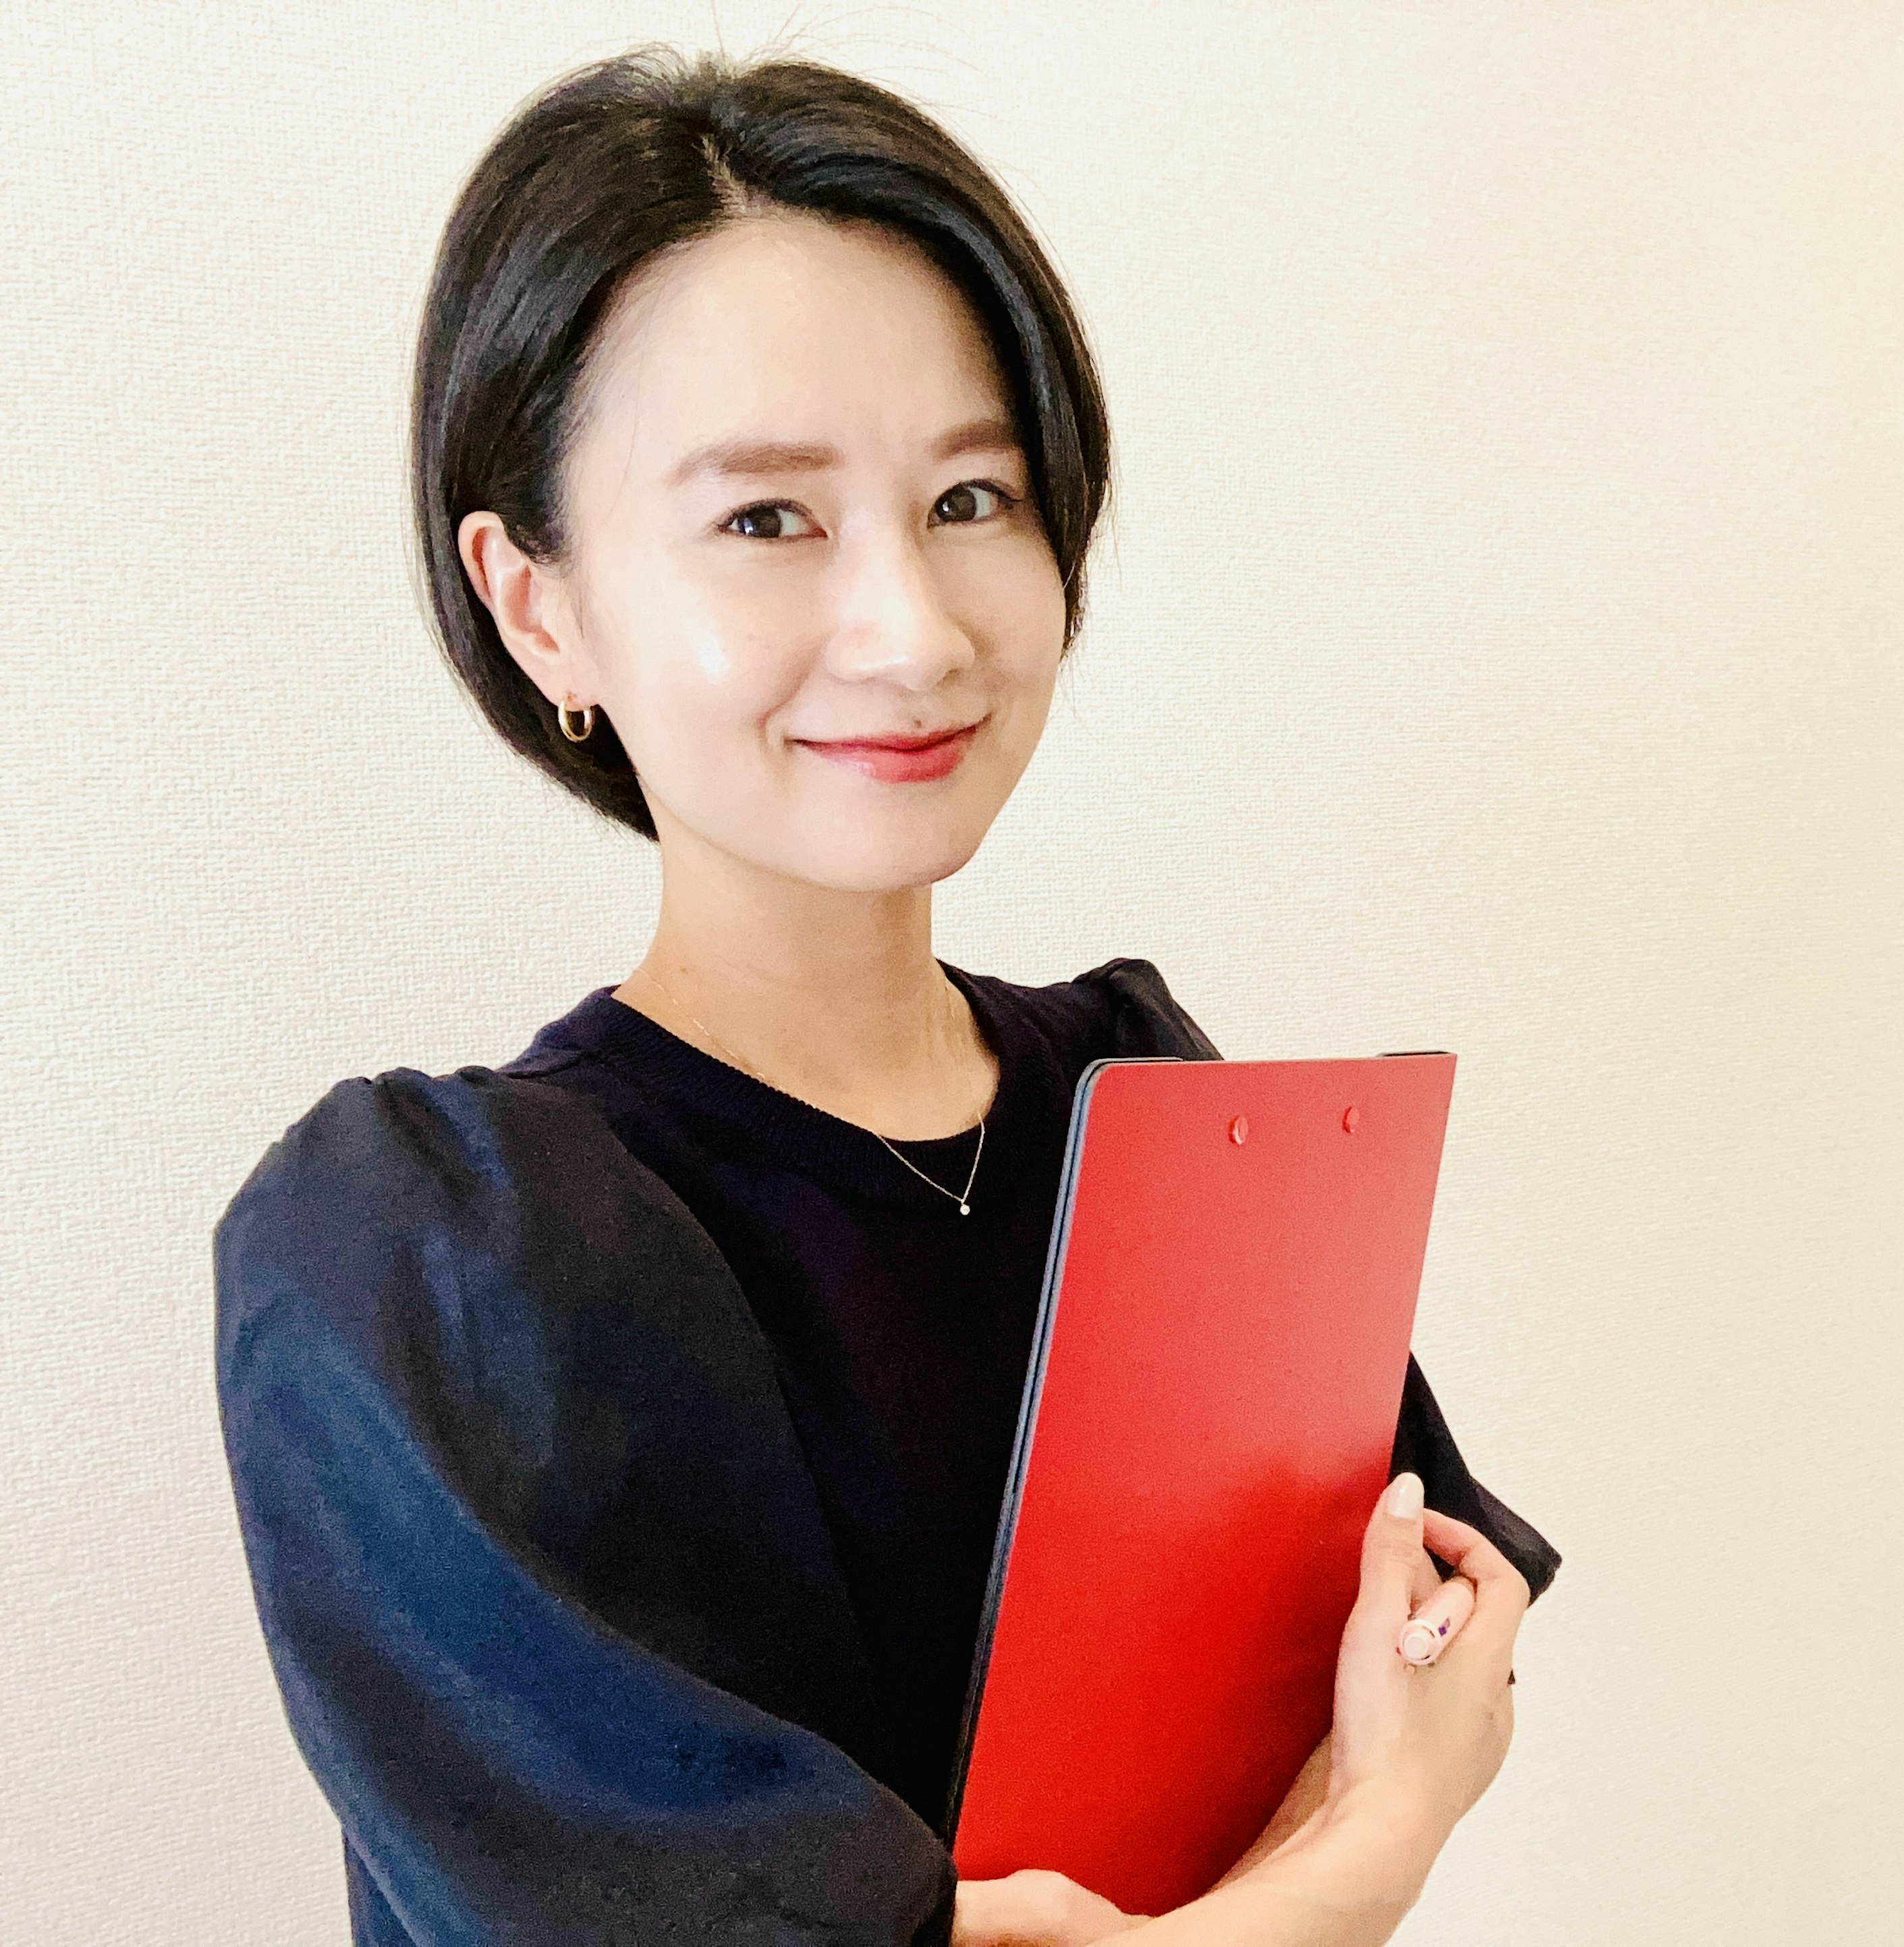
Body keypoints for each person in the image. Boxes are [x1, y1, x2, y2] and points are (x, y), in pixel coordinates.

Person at [213, 45, 1559, 1947]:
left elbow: (1422, 1657)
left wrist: (1370, 1794)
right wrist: (1370, 1862)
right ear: (540, 604)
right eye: (767, 520)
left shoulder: (1155, 1109)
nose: (914, 630)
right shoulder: (427, 1263)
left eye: (972, 497)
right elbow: (1372, 1787)